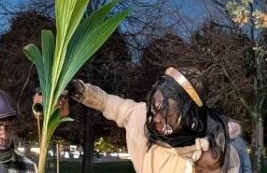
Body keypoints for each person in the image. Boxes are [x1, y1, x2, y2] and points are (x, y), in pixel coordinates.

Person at [70, 67, 240, 173]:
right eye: (155, 108)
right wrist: (76, 90)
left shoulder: (211, 155)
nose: (156, 118)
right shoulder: (140, 116)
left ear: (189, 119)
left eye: (166, 114)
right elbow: (106, 102)